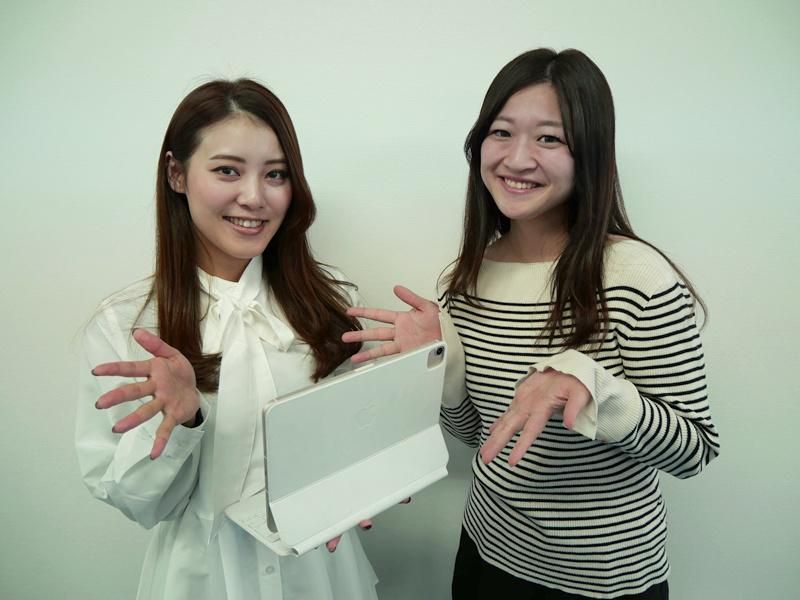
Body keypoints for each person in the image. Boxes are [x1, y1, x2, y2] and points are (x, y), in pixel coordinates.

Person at [344, 48, 720, 599]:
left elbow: (694, 449)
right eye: (501, 133)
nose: (517, 159)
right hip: (487, 554)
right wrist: (443, 364)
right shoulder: (464, 279)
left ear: (589, 153)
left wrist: (591, 389)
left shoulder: (635, 276)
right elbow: (480, 436)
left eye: (549, 138)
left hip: (602, 580)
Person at [75, 79, 379, 600]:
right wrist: (184, 421)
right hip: (202, 580)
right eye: (227, 171)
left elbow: (360, 444)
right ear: (176, 174)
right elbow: (137, 503)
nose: (254, 197)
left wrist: (420, 367)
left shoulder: (334, 304)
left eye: (275, 174)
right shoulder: (128, 325)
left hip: (323, 575)